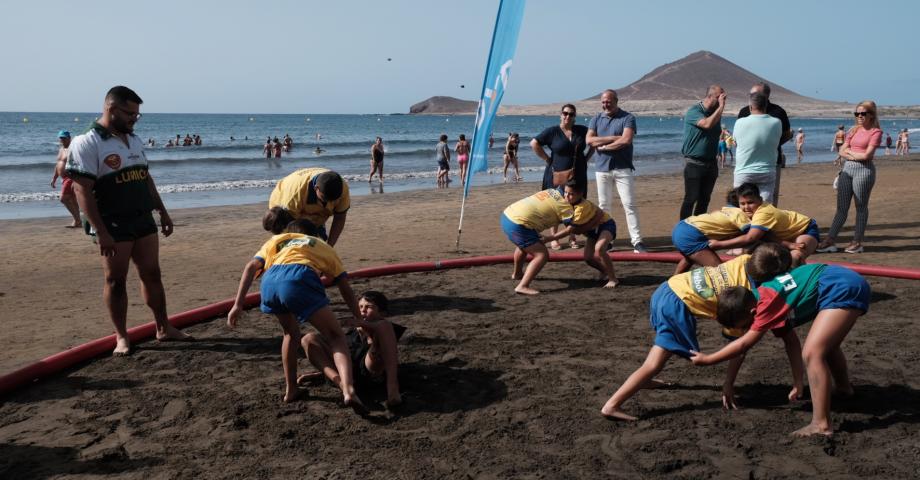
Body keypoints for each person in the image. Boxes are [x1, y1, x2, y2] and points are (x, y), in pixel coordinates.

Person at [600, 243, 791, 421]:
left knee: (661, 350)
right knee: (656, 361)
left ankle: (644, 380)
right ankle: (612, 405)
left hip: (667, 289)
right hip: (676, 304)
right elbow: (738, 347)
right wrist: (728, 383)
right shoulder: (746, 296)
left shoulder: (743, 260)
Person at [65, 85, 190, 356]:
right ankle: (121, 337)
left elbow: (145, 178)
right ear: (111, 109)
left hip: (142, 219)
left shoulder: (133, 139)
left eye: (137, 115)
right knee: (115, 280)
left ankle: (163, 327)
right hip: (112, 223)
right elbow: (81, 190)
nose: (134, 118)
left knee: (152, 274)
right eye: (130, 113)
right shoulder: (86, 141)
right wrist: (100, 231)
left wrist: (163, 211)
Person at [691, 263, 870, 437]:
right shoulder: (766, 298)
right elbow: (791, 343)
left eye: (746, 325)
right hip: (840, 279)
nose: (747, 329)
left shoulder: (766, 305)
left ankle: (821, 424)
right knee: (826, 347)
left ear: (753, 313)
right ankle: (843, 388)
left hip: (839, 285)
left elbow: (744, 344)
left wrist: (708, 359)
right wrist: (798, 381)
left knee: (813, 353)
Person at [226, 219, 367, 413]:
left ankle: (291, 389)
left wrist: (238, 304)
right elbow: (345, 287)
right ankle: (349, 389)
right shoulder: (320, 244)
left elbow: (251, 266)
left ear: (289, 231)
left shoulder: (278, 240)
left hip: (269, 282)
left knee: (290, 334)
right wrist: (359, 318)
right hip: (298, 276)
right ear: (314, 234)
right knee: (335, 336)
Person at [301, 290, 405, 408]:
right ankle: (342, 385)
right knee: (308, 338)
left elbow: (379, 344)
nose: (363, 310)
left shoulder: (386, 328)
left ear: (382, 313)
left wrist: (363, 325)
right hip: (348, 375)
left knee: (384, 326)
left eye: (369, 307)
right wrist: (321, 373)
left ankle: (392, 389)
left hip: (371, 371)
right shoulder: (353, 330)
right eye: (360, 306)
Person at [499, 182, 605, 295]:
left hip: (507, 215)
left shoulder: (550, 191)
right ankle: (522, 286)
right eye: (566, 193)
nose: (567, 197)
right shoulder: (565, 206)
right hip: (519, 224)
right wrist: (597, 218)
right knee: (541, 255)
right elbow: (575, 230)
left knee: (525, 245)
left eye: (571, 194)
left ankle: (517, 274)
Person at [816, 101, 882, 254]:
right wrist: (853, 154)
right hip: (847, 170)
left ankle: (857, 242)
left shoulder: (875, 132)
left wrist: (850, 153)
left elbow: (867, 155)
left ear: (871, 115)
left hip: (864, 172)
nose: (859, 116)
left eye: (863, 113)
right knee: (841, 208)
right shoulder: (853, 130)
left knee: (861, 207)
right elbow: (841, 151)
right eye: (857, 113)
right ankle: (830, 240)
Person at [587, 89, 647, 253]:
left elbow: (626, 140)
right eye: (603, 102)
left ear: (616, 101)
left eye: (608, 101)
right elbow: (589, 140)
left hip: (623, 168)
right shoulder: (596, 119)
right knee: (604, 206)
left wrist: (604, 147)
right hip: (602, 169)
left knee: (629, 205)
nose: (605, 104)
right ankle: (607, 240)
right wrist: (614, 138)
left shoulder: (628, 118)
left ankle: (637, 241)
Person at [712, 183, 819, 266]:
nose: (746, 207)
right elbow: (719, 212)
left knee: (796, 257)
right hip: (782, 236)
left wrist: (719, 244)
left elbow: (751, 238)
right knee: (753, 256)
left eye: (750, 202)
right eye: (743, 203)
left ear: (760, 200)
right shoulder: (742, 211)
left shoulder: (763, 212)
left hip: (804, 229)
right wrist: (787, 244)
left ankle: (802, 283)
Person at [532, 104, 592, 249]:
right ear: (560, 115)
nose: (568, 117)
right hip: (556, 173)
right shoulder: (552, 131)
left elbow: (593, 142)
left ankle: (572, 236)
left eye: (571, 114)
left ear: (575, 116)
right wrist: (547, 159)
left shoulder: (581, 130)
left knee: (575, 204)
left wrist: (587, 158)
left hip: (578, 173)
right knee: (556, 205)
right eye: (565, 113)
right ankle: (554, 238)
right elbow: (534, 143)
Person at [737, 82, 792, 207]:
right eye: (750, 94)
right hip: (747, 163)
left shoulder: (778, 112)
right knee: (745, 198)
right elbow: (739, 136)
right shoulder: (744, 111)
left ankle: (767, 224)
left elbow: (787, 134)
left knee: (768, 199)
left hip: (771, 162)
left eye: (754, 94)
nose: (751, 96)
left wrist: (771, 145)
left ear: (766, 95)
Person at [265, 168, 350, 246]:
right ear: (317, 188)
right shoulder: (295, 196)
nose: (329, 203)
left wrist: (329, 247)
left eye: (333, 200)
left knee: (319, 244)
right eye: (325, 199)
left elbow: (340, 218)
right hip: (283, 209)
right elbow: (291, 229)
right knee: (293, 245)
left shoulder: (342, 189)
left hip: (311, 209)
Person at [680, 85, 726, 220]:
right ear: (711, 97)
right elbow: (706, 124)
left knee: (705, 199)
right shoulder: (694, 111)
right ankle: (684, 228)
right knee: (691, 198)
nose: (722, 100)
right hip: (694, 162)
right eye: (720, 97)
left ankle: (699, 227)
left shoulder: (714, 113)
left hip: (711, 163)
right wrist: (721, 107)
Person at [671, 203, 750, 275]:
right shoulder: (741, 215)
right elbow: (750, 237)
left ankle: (671, 285)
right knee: (722, 274)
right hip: (690, 235)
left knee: (689, 258)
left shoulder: (727, 209)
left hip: (682, 226)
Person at [732, 92, 782, 204]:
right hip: (767, 171)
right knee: (764, 208)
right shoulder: (776, 122)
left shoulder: (740, 122)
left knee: (740, 208)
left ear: (750, 106)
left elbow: (735, 142)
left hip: (744, 171)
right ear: (766, 106)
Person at [50, 130, 81, 228]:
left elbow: (81, 163)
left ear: (69, 138)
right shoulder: (61, 149)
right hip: (64, 179)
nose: (62, 140)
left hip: (71, 178)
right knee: (72, 199)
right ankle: (78, 221)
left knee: (63, 199)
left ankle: (77, 220)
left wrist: (76, 178)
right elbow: (58, 164)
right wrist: (54, 178)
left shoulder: (73, 149)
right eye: (60, 138)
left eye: (64, 138)